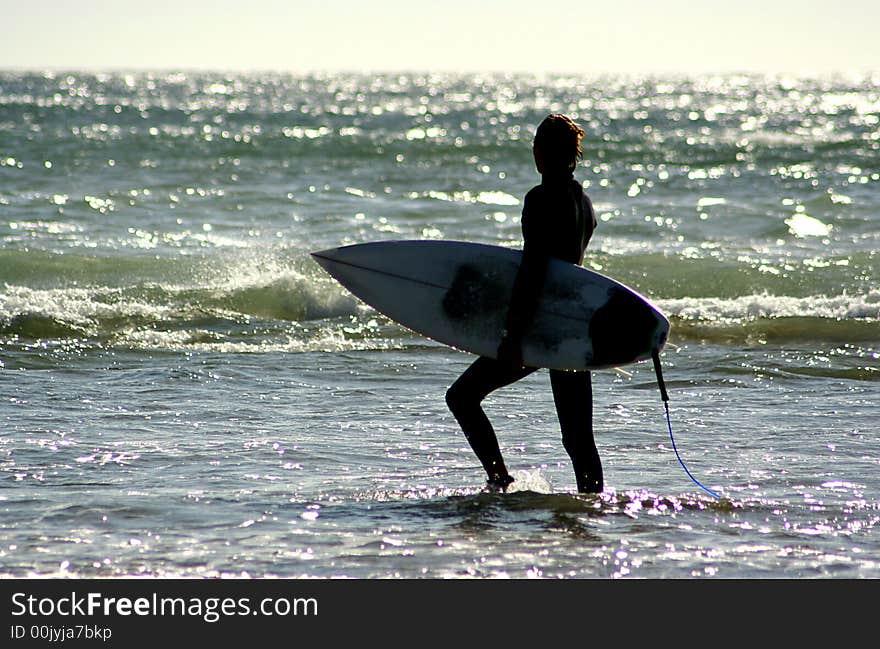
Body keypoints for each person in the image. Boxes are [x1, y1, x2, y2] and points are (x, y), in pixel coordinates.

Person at [445, 114, 602, 494]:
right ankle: (594, 504)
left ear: (542, 154)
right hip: (571, 327)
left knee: (462, 397)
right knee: (579, 437)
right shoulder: (584, 203)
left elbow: (533, 272)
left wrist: (513, 336)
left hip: (540, 328)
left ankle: (499, 479)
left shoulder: (541, 198)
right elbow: (567, 271)